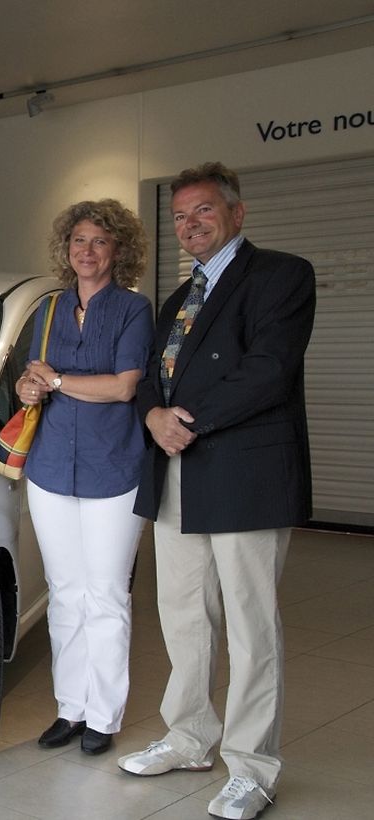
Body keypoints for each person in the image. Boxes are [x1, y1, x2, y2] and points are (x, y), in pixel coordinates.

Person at [118, 163, 315, 820]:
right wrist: (152, 415)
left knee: (252, 628)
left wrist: (185, 421)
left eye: (203, 210)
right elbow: (152, 376)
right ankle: (189, 737)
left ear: (236, 212)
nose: (190, 224)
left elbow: (268, 370)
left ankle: (253, 768)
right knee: (183, 616)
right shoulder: (178, 297)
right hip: (177, 472)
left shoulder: (282, 276)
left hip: (243, 473)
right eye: (179, 216)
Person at [17, 199, 153, 757]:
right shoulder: (49, 309)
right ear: (66, 249)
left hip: (112, 468)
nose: (88, 250)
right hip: (50, 467)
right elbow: (32, 377)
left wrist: (57, 380)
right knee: (66, 594)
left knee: (106, 595)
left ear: (118, 250)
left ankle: (103, 715)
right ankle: (70, 707)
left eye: (100, 240)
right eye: (79, 240)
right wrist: (31, 387)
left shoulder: (133, 309)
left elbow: (123, 387)